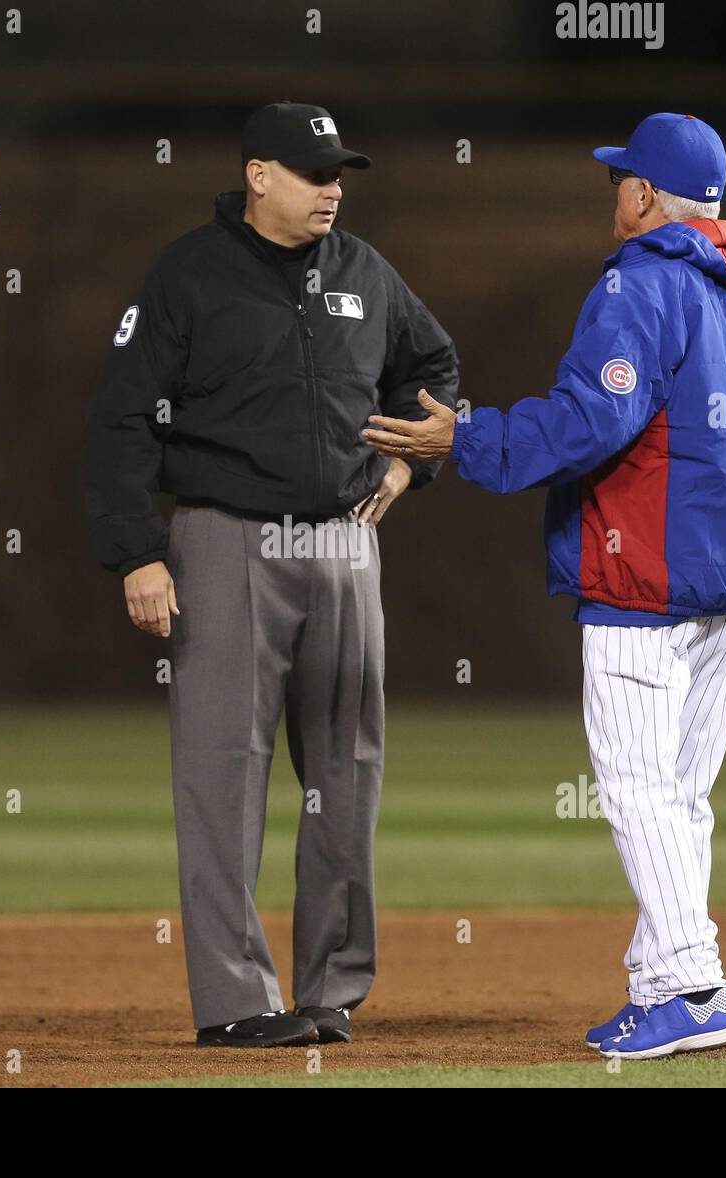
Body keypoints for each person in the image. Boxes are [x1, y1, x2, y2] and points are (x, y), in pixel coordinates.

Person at [363, 112, 726, 1060]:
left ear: (645, 197)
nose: (612, 192)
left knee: (633, 788)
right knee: (681, 796)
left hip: (643, 574)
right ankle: (666, 980)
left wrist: (470, 439)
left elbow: (590, 420)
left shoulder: (643, 281)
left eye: (621, 178)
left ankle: (696, 985)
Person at [83, 102, 459, 1047]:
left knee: (349, 772)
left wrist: (415, 461)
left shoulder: (365, 272)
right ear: (258, 176)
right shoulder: (187, 275)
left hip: (343, 541)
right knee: (223, 776)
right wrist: (135, 549)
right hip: (224, 540)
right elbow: (123, 419)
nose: (332, 187)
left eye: (339, 172)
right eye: (311, 171)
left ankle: (331, 988)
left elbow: (436, 365)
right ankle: (238, 1003)